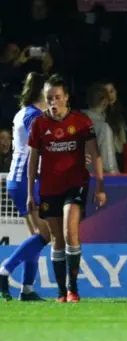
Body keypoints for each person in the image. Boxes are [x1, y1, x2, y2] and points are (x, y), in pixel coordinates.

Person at [26, 74, 107, 303]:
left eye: (57, 97)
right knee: (56, 239)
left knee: (70, 230)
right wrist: (31, 192)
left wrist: (100, 186)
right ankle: (61, 292)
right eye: (49, 98)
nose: (53, 102)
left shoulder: (81, 122)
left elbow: (95, 154)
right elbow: (33, 161)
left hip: (75, 184)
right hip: (49, 188)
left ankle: (73, 289)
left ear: (66, 97)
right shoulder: (39, 124)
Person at [0, 72, 50, 301]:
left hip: (17, 178)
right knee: (46, 233)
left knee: (36, 235)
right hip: (26, 179)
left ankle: (27, 289)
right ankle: (5, 269)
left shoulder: (24, 113)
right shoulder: (34, 117)